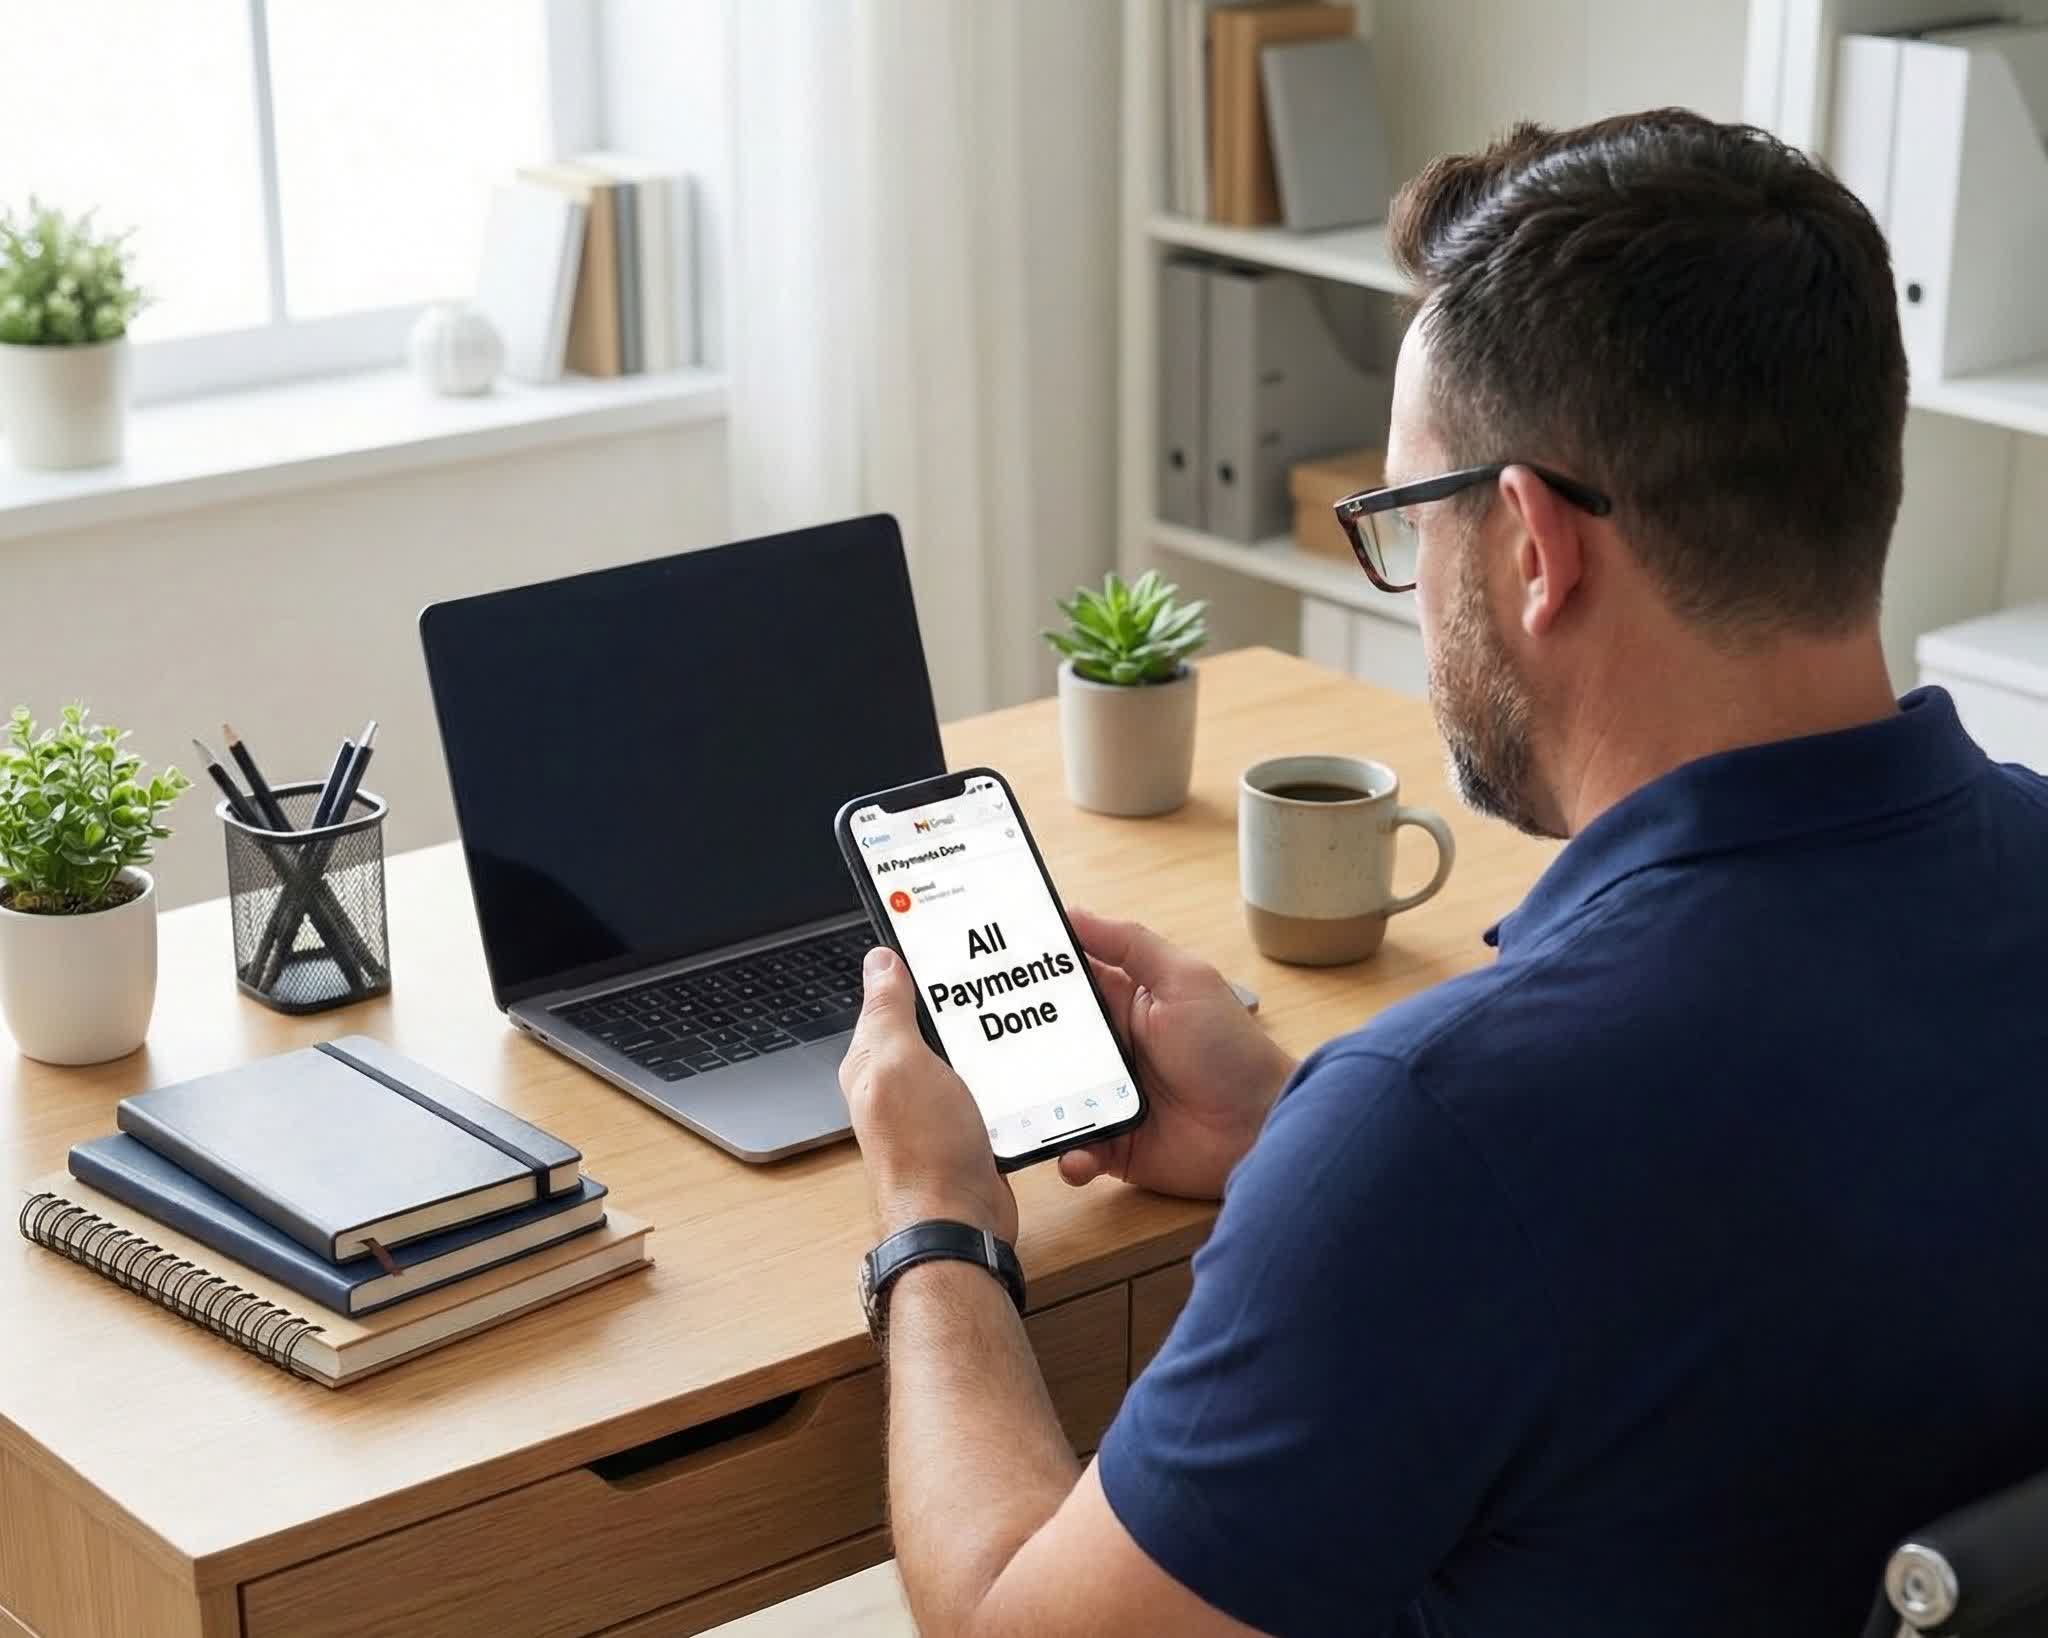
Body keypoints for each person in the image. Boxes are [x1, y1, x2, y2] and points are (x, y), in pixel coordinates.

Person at [837, 108, 2048, 1636]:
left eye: (1407, 520)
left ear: (1534, 547)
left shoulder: (1451, 1132)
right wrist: (1295, 1135)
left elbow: (1015, 1625)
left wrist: (935, 1219)